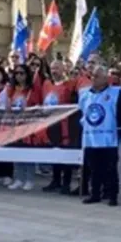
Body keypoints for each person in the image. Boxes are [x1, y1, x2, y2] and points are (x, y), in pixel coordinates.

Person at [80, 64, 121, 206]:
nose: (93, 79)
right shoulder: (85, 94)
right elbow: (83, 114)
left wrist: (117, 127)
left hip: (108, 138)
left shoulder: (115, 93)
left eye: (97, 76)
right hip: (91, 138)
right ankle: (95, 193)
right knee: (94, 169)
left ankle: (112, 195)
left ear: (105, 78)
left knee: (110, 169)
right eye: (92, 76)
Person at [1, 64, 40, 191]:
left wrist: (29, 109)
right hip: (15, 125)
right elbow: (8, 105)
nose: (19, 76)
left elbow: (38, 105)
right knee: (17, 151)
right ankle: (18, 178)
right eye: (16, 73)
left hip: (28, 125)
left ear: (27, 75)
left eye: (22, 73)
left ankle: (29, 179)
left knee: (28, 153)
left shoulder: (31, 90)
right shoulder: (12, 90)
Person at [41, 60, 76, 193]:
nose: (54, 71)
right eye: (52, 68)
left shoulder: (69, 85)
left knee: (65, 154)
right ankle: (55, 180)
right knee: (54, 152)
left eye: (57, 68)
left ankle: (66, 183)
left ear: (63, 70)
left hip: (65, 125)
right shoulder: (47, 84)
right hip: (51, 124)